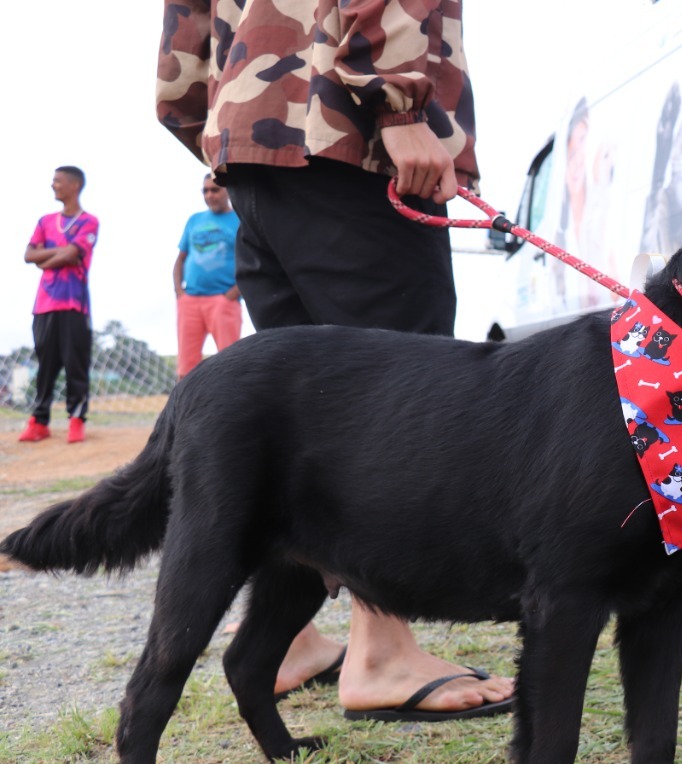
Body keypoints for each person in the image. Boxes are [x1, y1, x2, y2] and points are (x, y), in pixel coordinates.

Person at [157, 0, 515, 719]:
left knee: (313, 423)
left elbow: (181, 60)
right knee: (397, 409)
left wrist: (229, 128)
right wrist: (399, 103)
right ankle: (381, 652)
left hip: (251, 137)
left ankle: (285, 641)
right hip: (350, 131)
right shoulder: (382, 112)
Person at [19, 166, 99, 445]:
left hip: (74, 304)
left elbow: (71, 254)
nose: (53, 185)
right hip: (44, 304)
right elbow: (28, 255)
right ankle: (39, 422)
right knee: (45, 364)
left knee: (75, 363)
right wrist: (55, 255)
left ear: (74, 185)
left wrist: (45, 259)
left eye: (57, 181)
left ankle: (76, 420)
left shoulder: (89, 221)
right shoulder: (45, 221)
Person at [174, 175, 241, 379]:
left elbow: (251, 261)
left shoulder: (240, 220)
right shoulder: (195, 220)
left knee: (231, 363)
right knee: (186, 367)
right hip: (190, 300)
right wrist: (180, 293)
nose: (209, 195)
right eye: (205, 191)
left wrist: (231, 294)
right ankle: (184, 410)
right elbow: (180, 260)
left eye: (215, 190)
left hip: (223, 300)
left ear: (228, 190)